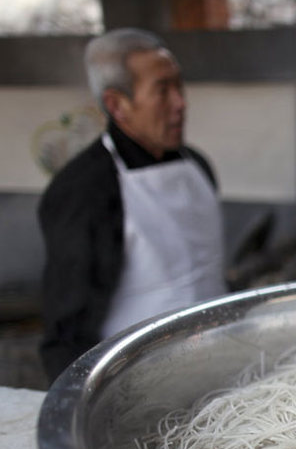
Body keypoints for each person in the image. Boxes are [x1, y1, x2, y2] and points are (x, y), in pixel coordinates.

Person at [38, 28, 226, 382]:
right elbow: (67, 333)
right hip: (138, 385)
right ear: (117, 104)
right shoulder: (85, 191)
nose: (180, 102)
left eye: (179, 85)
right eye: (162, 90)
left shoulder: (196, 166)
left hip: (220, 365)